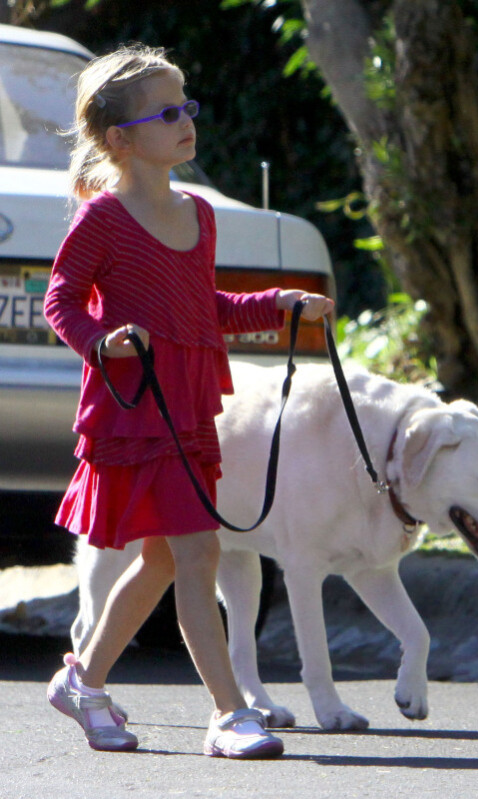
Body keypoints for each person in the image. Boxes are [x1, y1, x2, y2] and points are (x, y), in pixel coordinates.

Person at [44, 43, 334, 758]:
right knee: (197, 553)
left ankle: (82, 679)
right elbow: (60, 301)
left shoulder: (198, 216)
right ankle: (230, 713)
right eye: (167, 112)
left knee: (166, 561)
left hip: (189, 407)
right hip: (136, 408)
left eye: (187, 106)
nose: (186, 121)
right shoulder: (103, 219)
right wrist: (101, 340)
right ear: (121, 140)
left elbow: (204, 308)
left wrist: (278, 304)